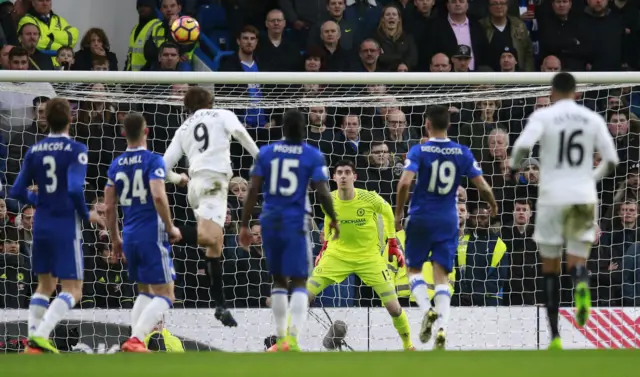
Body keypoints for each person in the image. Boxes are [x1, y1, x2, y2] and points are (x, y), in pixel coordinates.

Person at [509, 72, 619, 350]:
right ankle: (582, 285)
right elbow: (612, 160)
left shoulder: (543, 116)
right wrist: (590, 179)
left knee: (550, 269)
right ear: (576, 92)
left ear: (552, 92)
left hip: (551, 196)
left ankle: (555, 336)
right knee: (577, 263)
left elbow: (523, 146)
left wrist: (513, 167)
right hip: (583, 196)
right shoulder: (592, 118)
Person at [395, 105, 498, 350]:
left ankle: (427, 310)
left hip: (420, 217)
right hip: (448, 219)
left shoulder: (419, 150)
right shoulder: (462, 152)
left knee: (413, 270)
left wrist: (399, 212)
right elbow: (482, 186)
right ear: (448, 125)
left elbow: (403, 184)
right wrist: (493, 205)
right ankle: (442, 328)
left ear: (427, 124)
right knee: (442, 277)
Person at [238, 110, 338, 352]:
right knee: (301, 281)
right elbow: (322, 191)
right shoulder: (312, 154)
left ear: (281, 128)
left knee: (279, 280)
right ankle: (291, 340)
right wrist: (333, 218)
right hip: (296, 221)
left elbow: (252, 190)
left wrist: (243, 224)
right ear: (304, 128)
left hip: (270, 220)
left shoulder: (267, 153)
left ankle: (281, 338)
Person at [9, 98, 103, 353]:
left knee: (45, 285)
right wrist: (87, 215)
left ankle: (32, 342)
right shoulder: (76, 149)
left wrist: (38, 199)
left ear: (46, 120)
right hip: (64, 224)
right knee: (74, 290)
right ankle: (41, 334)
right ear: (70, 119)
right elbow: (74, 188)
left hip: (40, 224)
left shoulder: (35, 150)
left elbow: (17, 190)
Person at [163, 87, 260, 326]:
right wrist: (260, 157)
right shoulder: (222, 114)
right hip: (214, 182)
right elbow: (240, 132)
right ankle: (164, 233)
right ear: (211, 102)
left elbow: (163, 166)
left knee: (215, 246)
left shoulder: (183, 128)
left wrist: (178, 179)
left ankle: (219, 304)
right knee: (211, 236)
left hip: (195, 186)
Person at [309, 159, 414, 351]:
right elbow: (327, 218)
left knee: (393, 307)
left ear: (354, 177)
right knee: (303, 295)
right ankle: (285, 343)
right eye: (339, 172)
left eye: (347, 172)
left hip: (369, 258)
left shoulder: (369, 198)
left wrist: (392, 242)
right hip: (337, 256)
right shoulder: (327, 198)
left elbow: (388, 212)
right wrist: (325, 246)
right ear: (333, 177)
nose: (343, 176)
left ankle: (408, 345)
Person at [104, 113, 182, 353]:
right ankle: (137, 339)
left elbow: (108, 206)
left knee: (145, 291)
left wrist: (115, 238)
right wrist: (170, 227)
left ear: (123, 134)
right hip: (151, 232)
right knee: (167, 294)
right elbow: (158, 195)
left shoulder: (115, 164)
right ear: (146, 132)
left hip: (129, 234)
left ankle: (133, 339)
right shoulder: (152, 160)